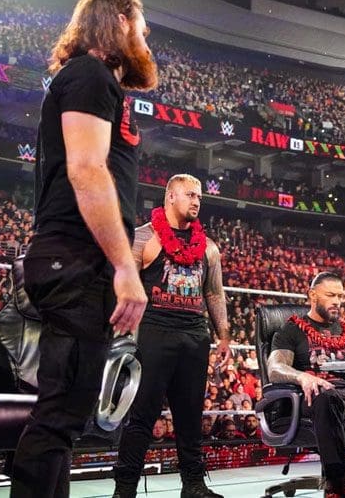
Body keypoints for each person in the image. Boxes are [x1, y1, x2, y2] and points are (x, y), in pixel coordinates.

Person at [10, 0, 157, 496]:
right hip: (74, 257)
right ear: (119, 20)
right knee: (59, 415)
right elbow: (87, 170)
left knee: (67, 415)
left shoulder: (95, 81)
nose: (146, 38)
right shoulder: (90, 75)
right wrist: (124, 266)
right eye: (141, 27)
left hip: (76, 258)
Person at [113, 174, 231, 498]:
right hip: (154, 331)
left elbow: (214, 293)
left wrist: (223, 336)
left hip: (194, 335)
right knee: (142, 413)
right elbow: (123, 286)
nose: (196, 201)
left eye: (200, 197)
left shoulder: (208, 247)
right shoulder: (143, 238)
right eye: (190, 195)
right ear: (170, 197)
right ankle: (125, 488)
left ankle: (193, 485)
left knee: (190, 415)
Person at [268, 272, 345, 498]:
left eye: (340, 296)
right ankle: (336, 484)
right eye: (330, 295)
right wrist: (302, 377)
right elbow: (275, 368)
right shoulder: (291, 330)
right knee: (326, 396)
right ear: (312, 295)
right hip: (315, 395)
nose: (337, 301)